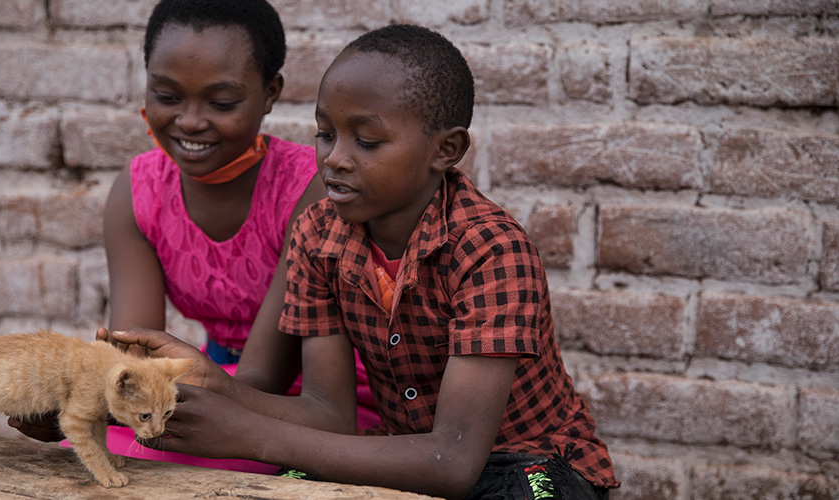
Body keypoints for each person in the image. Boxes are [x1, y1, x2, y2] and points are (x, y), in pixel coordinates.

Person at [99, 24, 619, 499]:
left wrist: (252, 435)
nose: (335, 158)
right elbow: (328, 416)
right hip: (398, 453)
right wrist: (215, 381)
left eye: (367, 141)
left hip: (528, 465)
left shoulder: (490, 250)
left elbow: (454, 460)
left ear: (447, 150)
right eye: (326, 133)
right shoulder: (319, 234)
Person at [0, 0, 378, 473]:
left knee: (152, 456)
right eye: (167, 95)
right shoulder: (138, 192)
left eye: (221, 103)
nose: (190, 121)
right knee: (86, 447)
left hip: (306, 400)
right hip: (205, 380)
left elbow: (263, 377)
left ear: (270, 93)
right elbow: (125, 356)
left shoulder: (308, 191)